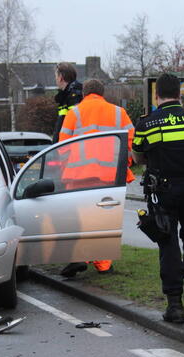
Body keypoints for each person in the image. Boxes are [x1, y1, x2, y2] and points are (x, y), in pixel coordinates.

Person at [132, 73, 184, 324]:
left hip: (165, 189)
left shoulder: (148, 123)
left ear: (157, 95)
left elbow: (138, 156)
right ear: (179, 93)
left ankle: (174, 304)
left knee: (168, 242)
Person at [58, 78, 135, 277]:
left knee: (80, 219)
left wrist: (64, 170)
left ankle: (78, 258)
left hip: (79, 176)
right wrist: (123, 165)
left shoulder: (74, 112)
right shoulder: (119, 113)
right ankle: (104, 265)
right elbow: (131, 141)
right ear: (103, 93)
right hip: (110, 176)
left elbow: (62, 146)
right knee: (104, 219)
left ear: (84, 93)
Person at [52, 62, 83, 143]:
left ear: (60, 77)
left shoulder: (74, 96)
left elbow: (75, 124)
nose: (55, 79)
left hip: (71, 146)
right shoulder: (66, 96)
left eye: (56, 76)